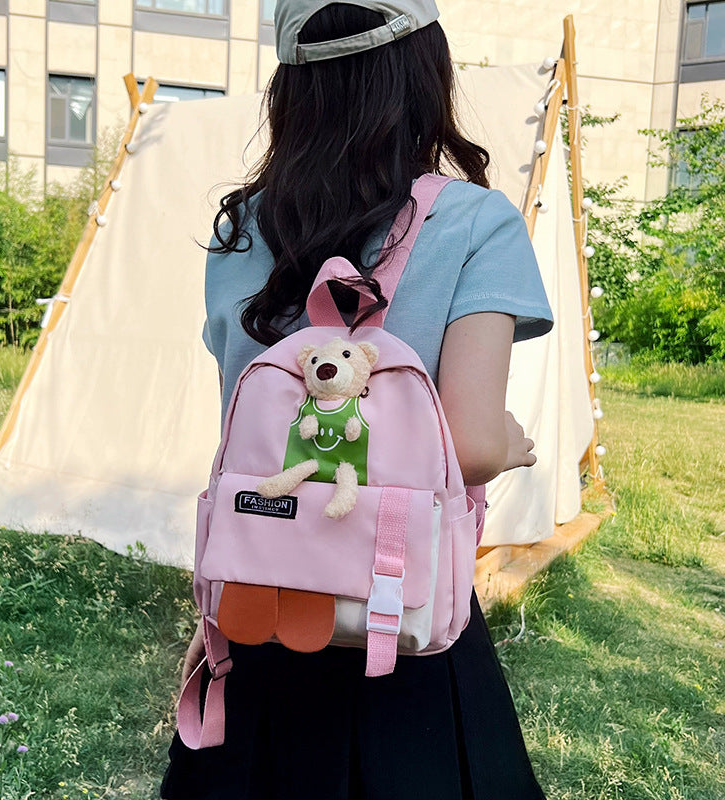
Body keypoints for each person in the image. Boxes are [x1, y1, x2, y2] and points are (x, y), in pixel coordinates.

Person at [161, 2, 554, 798]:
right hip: (397, 617)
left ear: (292, 87)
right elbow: (472, 443)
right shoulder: (475, 220)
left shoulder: (242, 224)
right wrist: (512, 440)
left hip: (263, 593)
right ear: (425, 72)